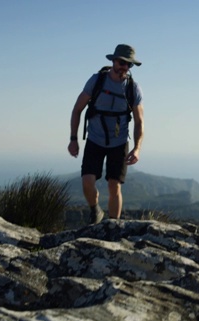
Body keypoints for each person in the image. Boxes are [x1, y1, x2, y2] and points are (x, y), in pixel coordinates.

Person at [68, 44, 145, 224]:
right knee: (87, 181)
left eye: (128, 64)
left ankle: (113, 226)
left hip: (119, 142)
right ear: (113, 61)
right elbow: (77, 109)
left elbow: (140, 121)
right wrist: (73, 139)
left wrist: (137, 148)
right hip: (95, 138)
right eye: (121, 62)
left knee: (114, 185)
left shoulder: (133, 89)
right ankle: (95, 211)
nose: (124, 67)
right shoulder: (96, 81)